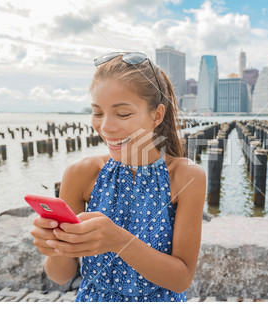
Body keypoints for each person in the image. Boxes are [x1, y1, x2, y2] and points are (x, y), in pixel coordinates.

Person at [30, 52, 206, 302]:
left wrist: (118, 240)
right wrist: (55, 246)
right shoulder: (81, 174)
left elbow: (181, 279)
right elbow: (61, 276)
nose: (106, 127)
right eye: (98, 113)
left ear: (157, 115)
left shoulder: (186, 176)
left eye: (123, 114)